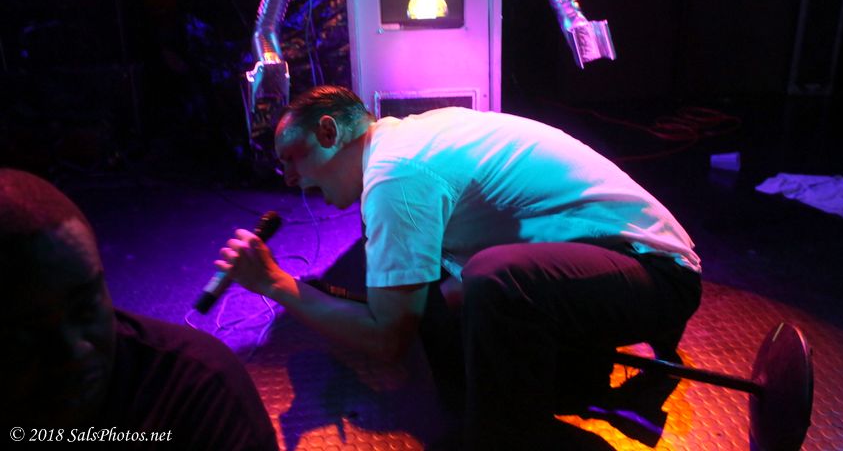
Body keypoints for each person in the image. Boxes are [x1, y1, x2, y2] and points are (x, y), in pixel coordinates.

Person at [218, 85, 702, 450]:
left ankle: (510, 438)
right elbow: (411, 315)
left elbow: (386, 341)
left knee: (495, 279)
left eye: (293, 158)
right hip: (602, 272)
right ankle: (549, 395)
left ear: (329, 132)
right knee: (431, 297)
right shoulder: (403, 145)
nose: (289, 178)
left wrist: (274, 283)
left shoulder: (395, 173)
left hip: (657, 275)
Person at [0, 169, 278, 450]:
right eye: (28, 330)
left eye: (85, 309)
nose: (73, 351)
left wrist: (274, 283)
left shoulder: (199, 387)